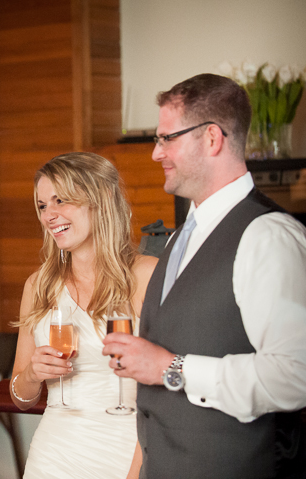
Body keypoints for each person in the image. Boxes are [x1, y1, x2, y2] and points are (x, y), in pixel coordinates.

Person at [102, 73, 306, 478]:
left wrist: (170, 368)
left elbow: (294, 375)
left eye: (167, 138)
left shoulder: (268, 236)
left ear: (212, 138)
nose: (156, 153)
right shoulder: (180, 235)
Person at [10, 152, 157, 479]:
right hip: (51, 457)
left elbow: (164, 398)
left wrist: (137, 473)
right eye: (43, 205)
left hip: (126, 452)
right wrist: (33, 374)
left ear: (100, 198)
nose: (50, 215)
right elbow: (20, 397)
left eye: (60, 200)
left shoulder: (146, 276)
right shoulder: (38, 286)